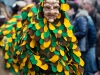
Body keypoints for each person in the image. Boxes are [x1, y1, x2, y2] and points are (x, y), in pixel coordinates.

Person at [0, 0, 84, 75]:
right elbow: (24, 50)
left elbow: (72, 51)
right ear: (41, 9)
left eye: (55, 8)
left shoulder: (66, 28)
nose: (52, 11)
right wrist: (40, 65)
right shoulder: (32, 28)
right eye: (47, 8)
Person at [67, 1, 97, 75]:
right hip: (86, 48)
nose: (65, 11)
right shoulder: (76, 17)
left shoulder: (81, 17)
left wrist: (70, 35)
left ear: (72, 9)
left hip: (87, 48)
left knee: (88, 70)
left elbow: (83, 32)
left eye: (66, 9)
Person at [82, 0, 100, 72]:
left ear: (90, 4)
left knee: (92, 68)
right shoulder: (85, 15)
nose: (82, 4)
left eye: (84, 3)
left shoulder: (97, 16)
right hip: (90, 45)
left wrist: (91, 44)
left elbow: (97, 32)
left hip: (93, 45)